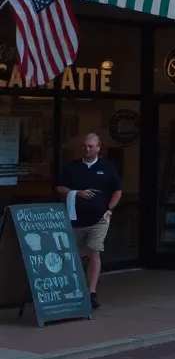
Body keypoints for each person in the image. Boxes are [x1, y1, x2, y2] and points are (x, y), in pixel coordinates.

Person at [54, 133, 122, 310]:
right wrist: (77, 193)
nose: (87, 149)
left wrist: (110, 209)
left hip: (99, 219)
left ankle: (91, 292)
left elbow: (117, 190)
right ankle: (73, 290)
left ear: (98, 147)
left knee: (94, 252)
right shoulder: (73, 167)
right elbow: (60, 187)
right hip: (75, 219)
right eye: (84, 146)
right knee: (72, 255)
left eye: (91, 146)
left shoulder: (107, 167)